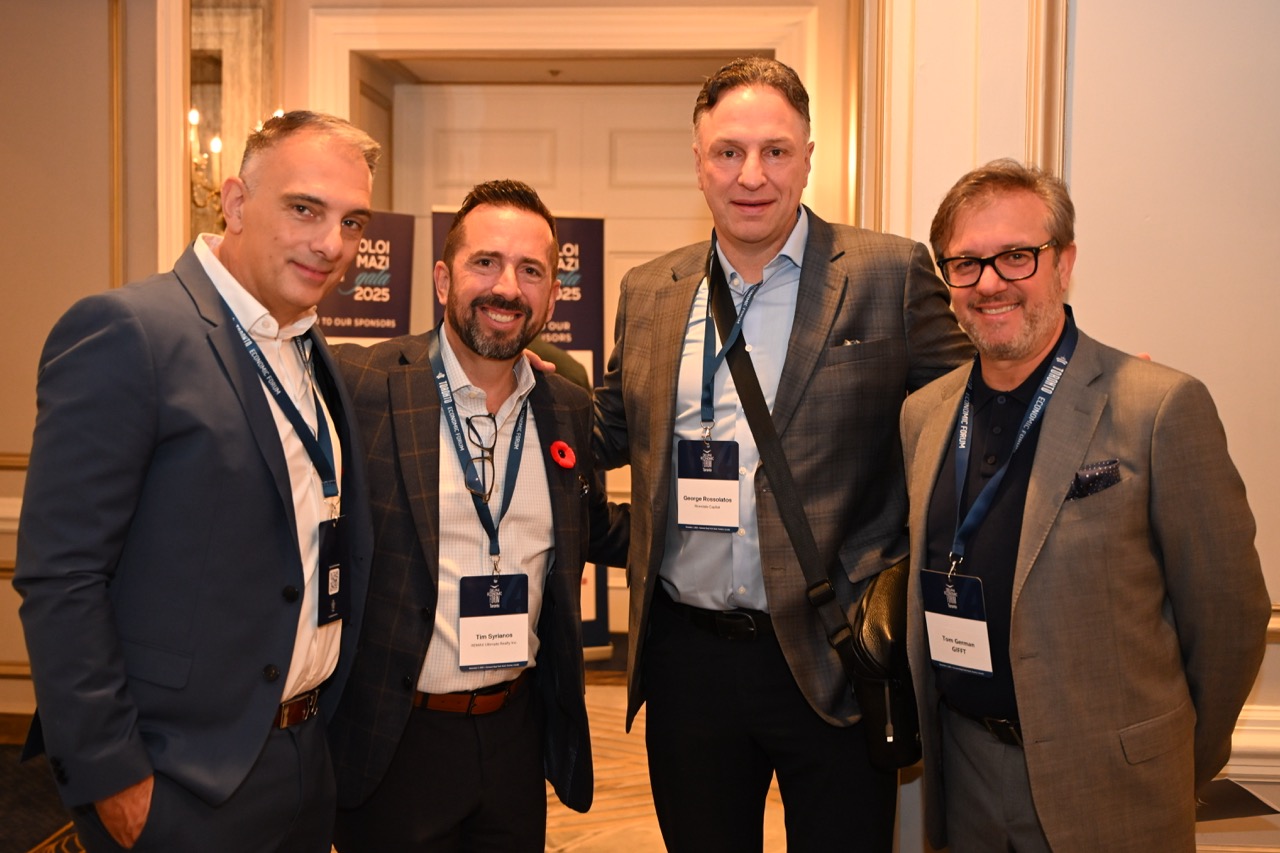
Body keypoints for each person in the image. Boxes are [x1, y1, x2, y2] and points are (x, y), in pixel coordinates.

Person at [591, 57, 973, 851]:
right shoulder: (650, 290)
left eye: (775, 151)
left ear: (807, 157)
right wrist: (501, 378)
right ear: (698, 162)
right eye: (728, 152)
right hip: (688, 661)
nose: (751, 175)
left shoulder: (889, 274)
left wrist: (1067, 390)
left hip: (835, 650)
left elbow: (967, 416)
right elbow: (607, 431)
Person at [13, 111, 379, 852]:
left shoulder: (311, 349)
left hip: (304, 761)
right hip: (178, 779)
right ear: (236, 202)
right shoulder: (130, 331)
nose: (332, 244)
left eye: (351, 222)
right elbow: (61, 575)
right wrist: (114, 782)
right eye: (304, 209)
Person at [902, 158, 1269, 852]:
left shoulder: (1159, 407)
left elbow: (1229, 614)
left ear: (1064, 264)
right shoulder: (924, 415)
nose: (990, 283)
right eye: (967, 263)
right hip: (965, 778)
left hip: (1113, 791)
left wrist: (1175, 756)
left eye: (1017, 256)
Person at [327, 179, 628, 852]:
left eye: (531, 271)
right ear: (443, 278)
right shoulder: (365, 385)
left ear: (553, 295)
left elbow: (591, 527)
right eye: (485, 262)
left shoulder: (565, 407)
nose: (507, 288)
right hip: (396, 741)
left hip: (515, 734)